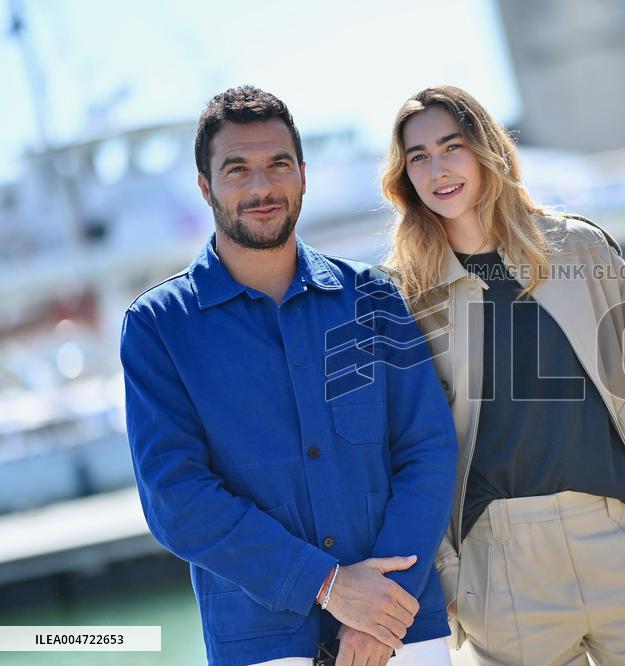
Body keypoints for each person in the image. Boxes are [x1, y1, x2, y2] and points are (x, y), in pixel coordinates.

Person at [120, 85, 457, 666]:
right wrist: (327, 585)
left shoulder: (372, 297)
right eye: (237, 169)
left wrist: (381, 607)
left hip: (401, 626)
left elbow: (427, 447)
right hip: (259, 640)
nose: (261, 187)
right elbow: (175, 498)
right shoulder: (158, 327)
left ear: (303, 174)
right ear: (205, 187)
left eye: (278, 164)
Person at [381, 85, 625, 666]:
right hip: (502, 566)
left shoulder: (579, 247)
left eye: (451, 147)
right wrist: (449, 573)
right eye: (419, 157)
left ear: (486, 149)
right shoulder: (407, 295)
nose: (439, 170)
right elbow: (407, 445)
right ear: (404, 176)